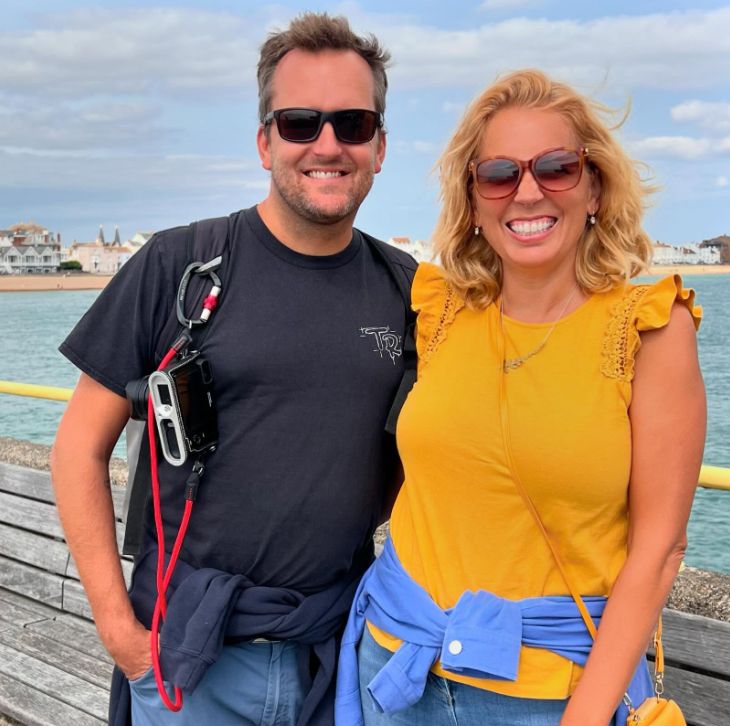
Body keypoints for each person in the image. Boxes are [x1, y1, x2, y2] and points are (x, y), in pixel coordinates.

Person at [51, 13, 416, 726]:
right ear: (264, 142)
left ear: (379, 145)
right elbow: (76, 449)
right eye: (301, 123)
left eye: (352, 123)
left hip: (337, 657)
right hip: (188, 658)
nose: (328, 145)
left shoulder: (407, 291)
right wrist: (120, 633)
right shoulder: (178, 266)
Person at [335, 69, 705, 726]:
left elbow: (661, 547)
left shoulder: (647, 326)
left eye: (557, 167)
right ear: (474, 202)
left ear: (594, 187)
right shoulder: (439, 308)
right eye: (500, 174)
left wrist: (586, 716)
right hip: (394, 666)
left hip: (548, 697)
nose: (528, 191)